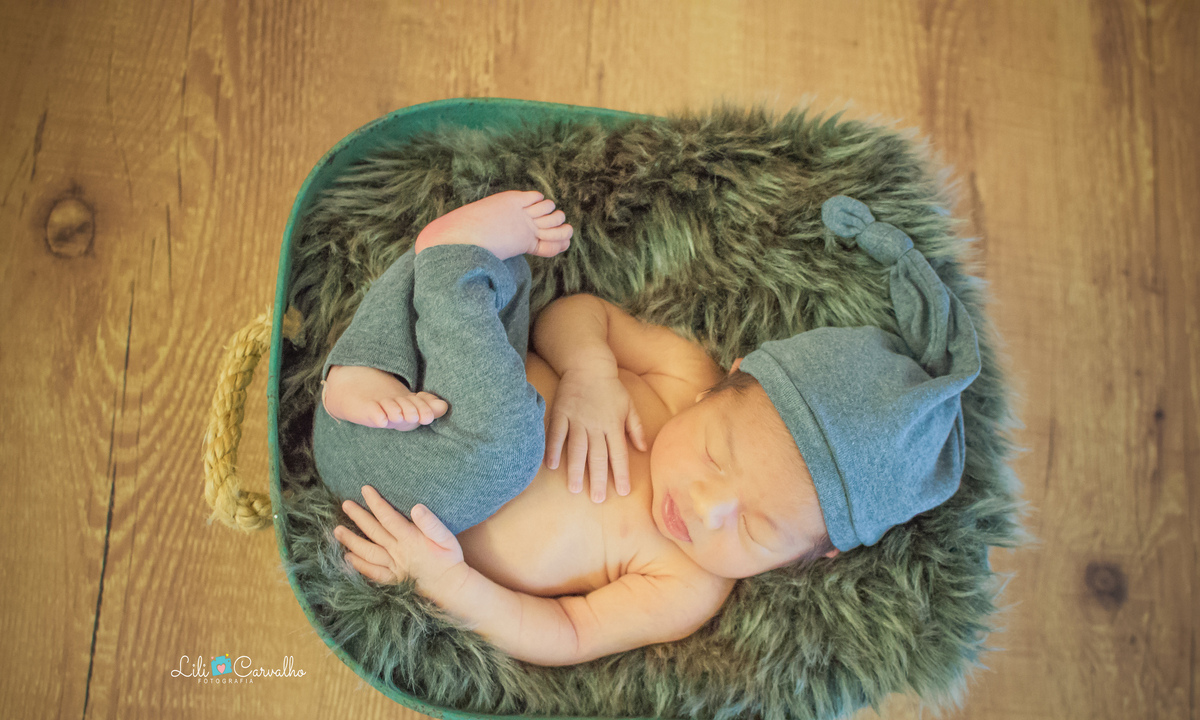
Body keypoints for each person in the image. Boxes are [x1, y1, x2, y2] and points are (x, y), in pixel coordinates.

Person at [314, 189, 981, 667]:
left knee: (510, 446)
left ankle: (450, 260)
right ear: (732, 376)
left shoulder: (689, 588)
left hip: (406, 502)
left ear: (812, 557)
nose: (705, 508)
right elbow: (577, 313)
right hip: (394, 393)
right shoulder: (685, 376)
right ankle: (369, 355)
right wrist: (591, 371)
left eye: (756, 530)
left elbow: (569, 631)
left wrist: (446, 581)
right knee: (512, 283)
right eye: (718, 456)